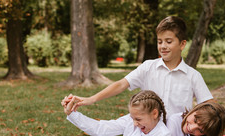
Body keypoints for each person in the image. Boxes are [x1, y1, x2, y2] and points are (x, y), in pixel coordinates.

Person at [63, 16, 213, 117]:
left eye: (168, 41)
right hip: (147, 135)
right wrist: (91, 99)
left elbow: (210, 105)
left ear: (182, 44)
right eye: (160, 41)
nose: (163, 46)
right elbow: (121, 84)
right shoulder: (148, 67)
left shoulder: (192, 76)